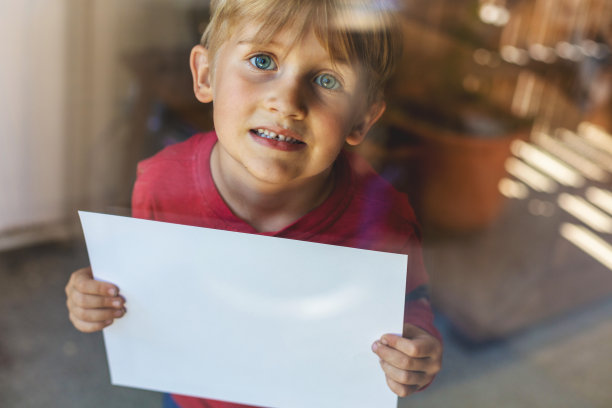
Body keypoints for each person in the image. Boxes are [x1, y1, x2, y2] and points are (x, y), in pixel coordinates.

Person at [65, 0, 443, 407]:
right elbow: (146, 287)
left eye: (328, 80)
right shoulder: (161, 184)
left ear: (362, 119)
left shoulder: (384, 219)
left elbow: (411, 302)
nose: (287, 102)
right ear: (206, 74)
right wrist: (96, 296)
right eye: (262, 61)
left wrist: (416, 347)